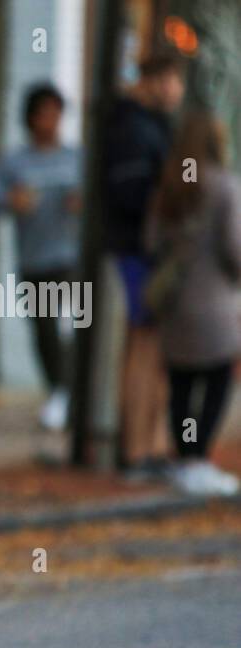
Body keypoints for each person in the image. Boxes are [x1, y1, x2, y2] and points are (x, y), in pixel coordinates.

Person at [144, 113, 241, 497]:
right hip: (216, 304)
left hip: (175, 305)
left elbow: (151, 242)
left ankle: (185, 458)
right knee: (217, 382)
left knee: (181, 385)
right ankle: (199, 458)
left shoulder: (169, 188)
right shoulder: (224, 186)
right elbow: (235, 248)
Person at [0, 82, 83, 431]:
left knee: (75, 324)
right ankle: (60, 391)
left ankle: (72, 393)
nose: (51, 121)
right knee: (44, 330)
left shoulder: (75, 158)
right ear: (30, 119)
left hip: (71, 256)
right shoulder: (13, 161)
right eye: (44, 113)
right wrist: (13, 200)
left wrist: (80, 204)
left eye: (57, 113)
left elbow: (94, 199)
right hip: (34, 259)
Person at [105, 53, 186, 480]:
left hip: (145, 250)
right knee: (145, 343)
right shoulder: (135, 129)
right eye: (172, 79)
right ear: (153, 80)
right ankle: (137, 449)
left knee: (150, 345)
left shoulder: (150, 126)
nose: (177, 89)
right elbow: (132, 194)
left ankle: (147, 445)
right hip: (139, 251)